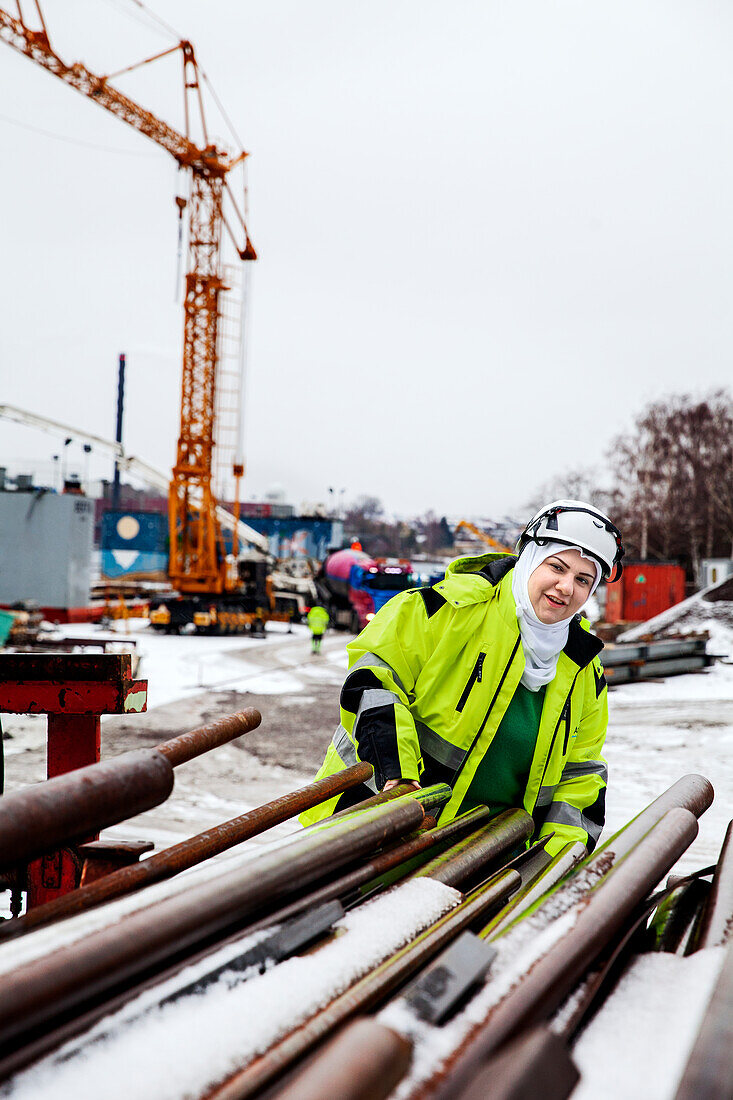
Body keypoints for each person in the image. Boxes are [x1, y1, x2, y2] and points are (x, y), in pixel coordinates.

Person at [300, 500, 624, 858]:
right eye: (557, 567)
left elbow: (580, 775)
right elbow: (372, 683)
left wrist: (554, 862)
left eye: (583, 579)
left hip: (482, 862)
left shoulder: (583, 668)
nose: (565, 587)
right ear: (530, 558)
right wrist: (397, 777)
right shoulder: (443, 609)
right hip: (371, 827)